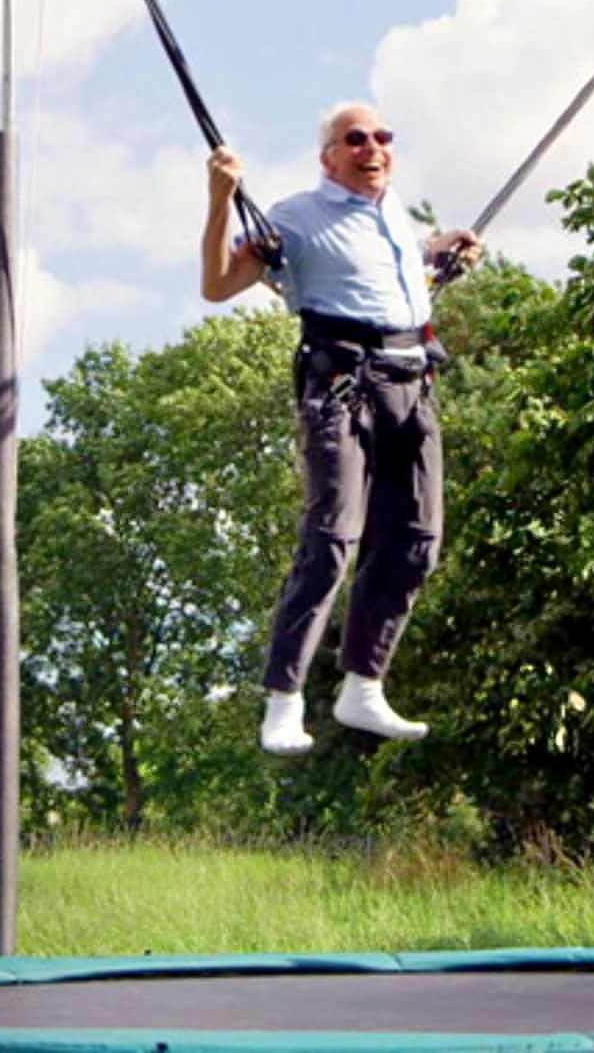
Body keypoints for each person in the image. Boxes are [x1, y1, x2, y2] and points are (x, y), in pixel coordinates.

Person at [200, 102, 479, 755]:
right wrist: (219, 200)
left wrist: (436, 255)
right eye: (355, 140)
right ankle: (284, 698)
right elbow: (216, 284)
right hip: (341, 386)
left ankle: (362, 685)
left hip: (411, 384)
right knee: (333, 536)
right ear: (328, 156)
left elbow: (391, 281)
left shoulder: (393, 217)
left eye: (383, 138)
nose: (373, 148)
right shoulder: (295, 217)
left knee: (417, 539)